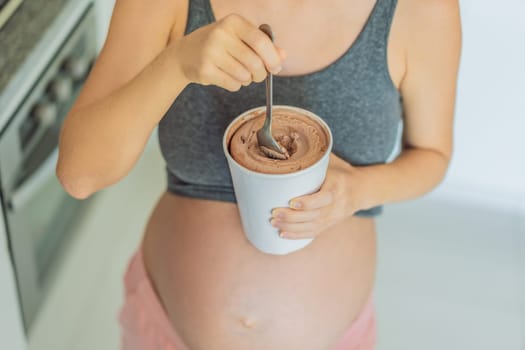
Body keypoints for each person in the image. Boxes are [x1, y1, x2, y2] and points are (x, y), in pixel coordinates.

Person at [57, 0, 461, 348]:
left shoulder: (422, 10)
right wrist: (176, 64)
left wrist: (358, 191)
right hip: (166, 333)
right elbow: (81, 174)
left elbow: (432, 156)